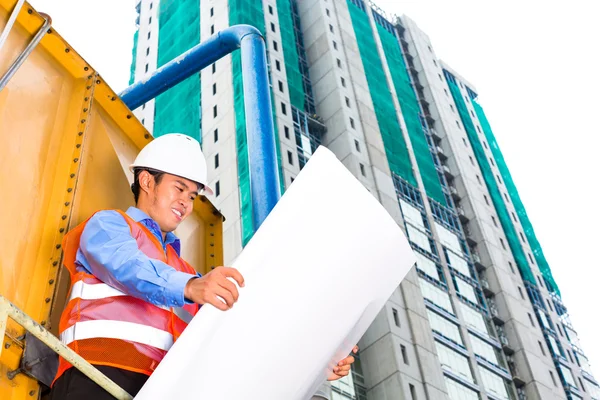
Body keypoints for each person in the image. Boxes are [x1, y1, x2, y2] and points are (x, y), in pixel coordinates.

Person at [50, 133, 357, 399]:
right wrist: (190, 286)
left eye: (193, 195)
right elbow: (126, 265)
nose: (186, 202)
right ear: (146, 181)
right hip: (93, 376)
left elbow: (233, 333)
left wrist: (314, 363)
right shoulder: (111, 225)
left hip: (161, 391)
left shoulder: (186, 271)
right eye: (179, 188)